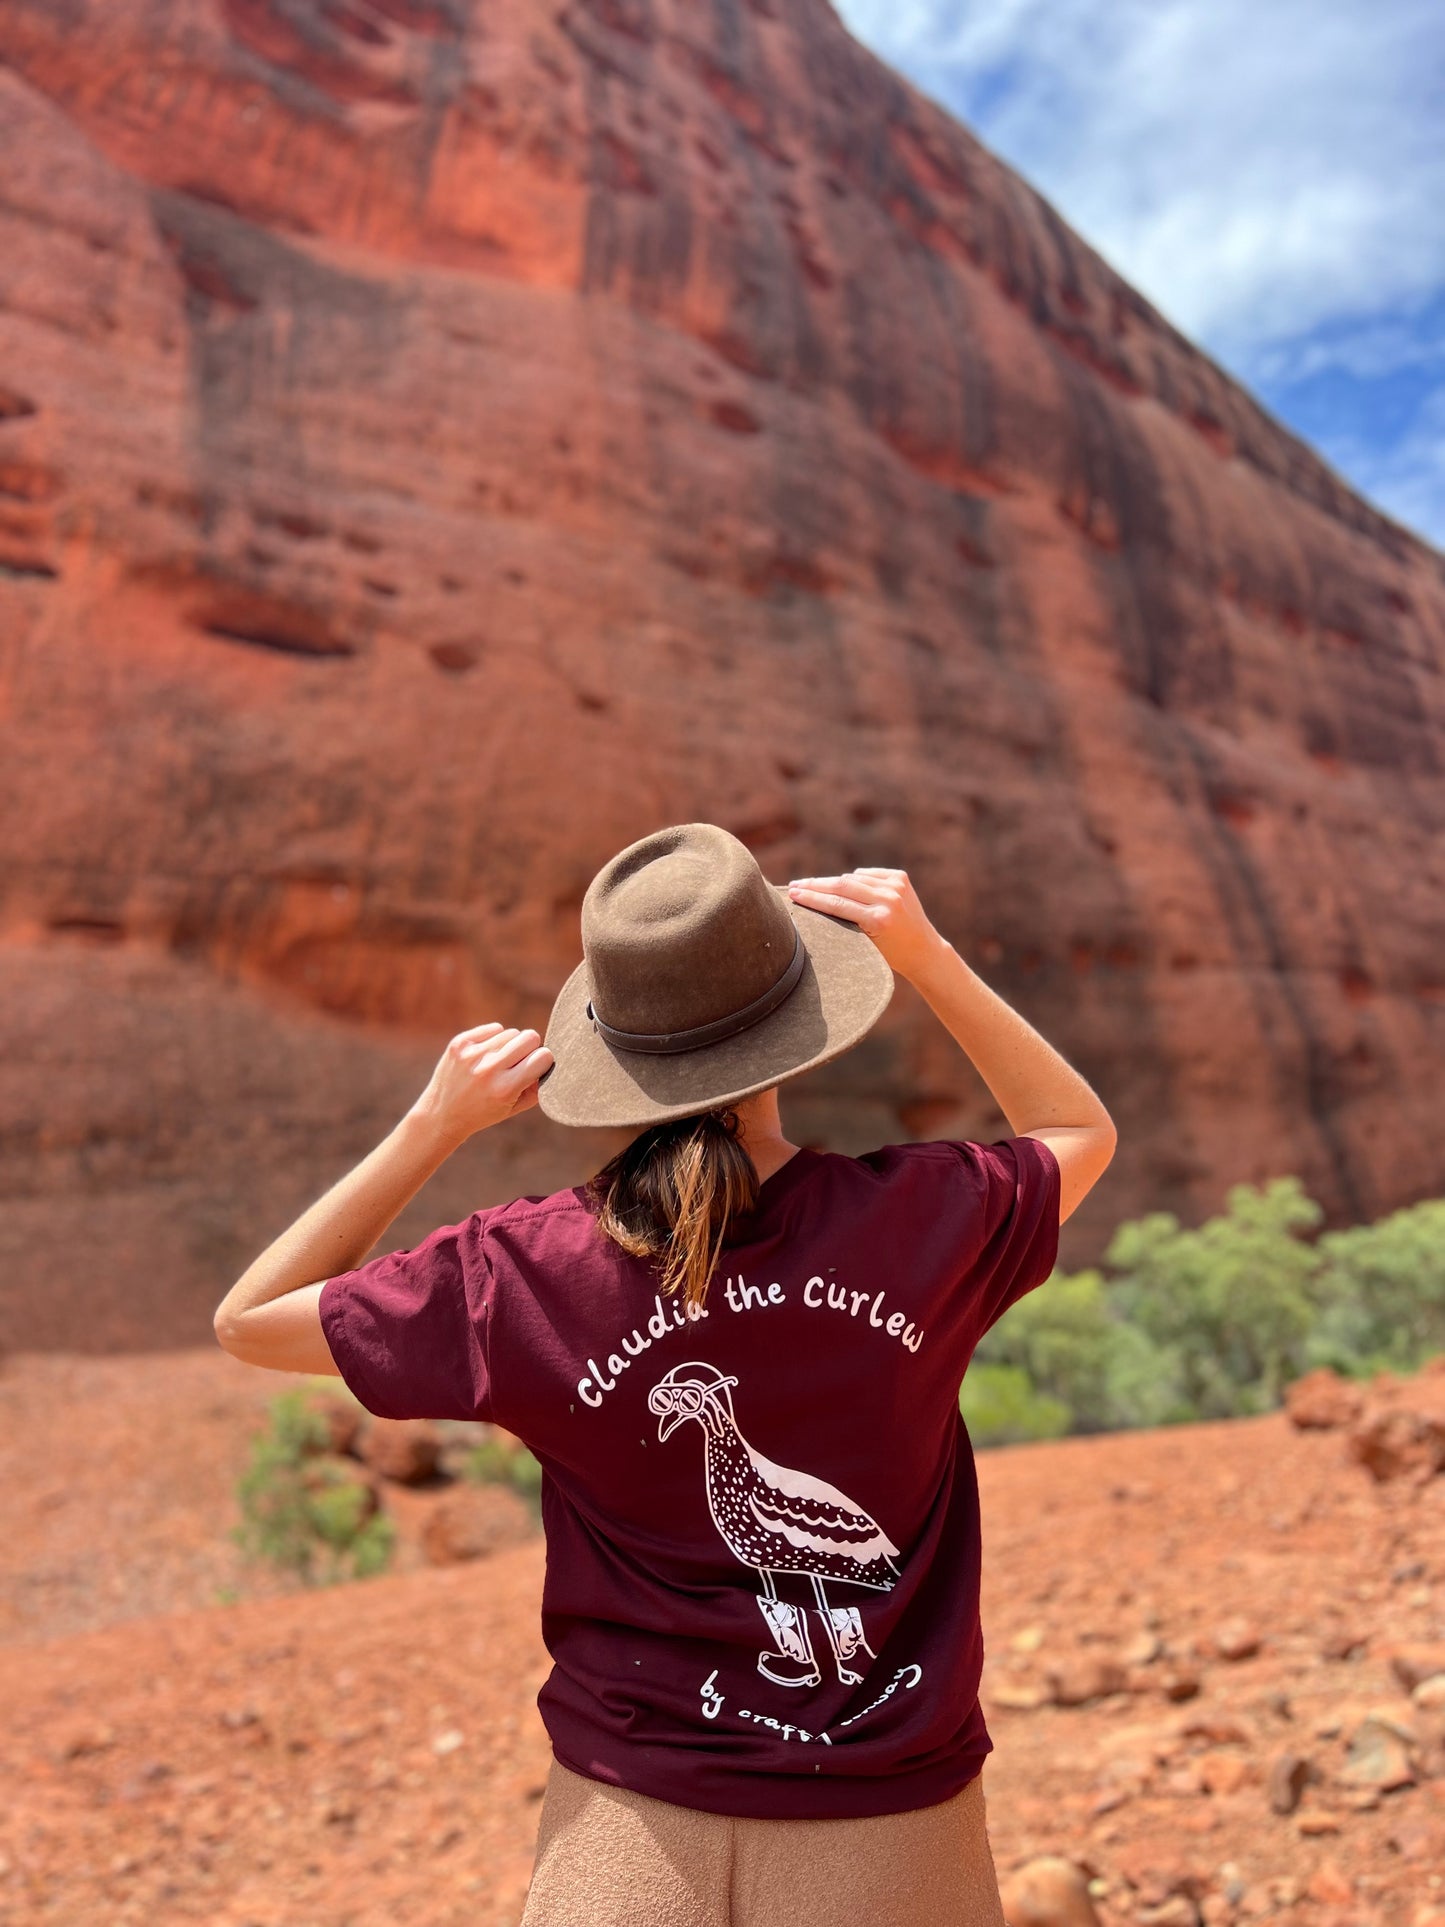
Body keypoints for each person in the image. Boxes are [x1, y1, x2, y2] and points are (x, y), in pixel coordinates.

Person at [214, 822, 1117, 1926]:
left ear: (613, 1058)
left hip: (626, 1833)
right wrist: (926, 956)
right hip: (886, 1822)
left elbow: (250, 1319)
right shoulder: (923, 1217)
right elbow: (1077, 1128)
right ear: (801, 1028)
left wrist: (432, 1123)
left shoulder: (521, 1269)